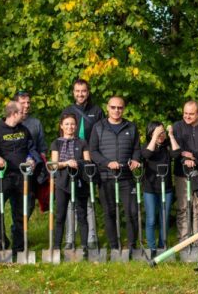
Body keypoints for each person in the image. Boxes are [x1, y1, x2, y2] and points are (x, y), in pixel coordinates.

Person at [89, 96, 142, 252]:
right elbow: (93, 151)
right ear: (107, 108)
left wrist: (135, 159)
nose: (116, 110)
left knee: (132, 211)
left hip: (126, 177)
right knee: (109, 212)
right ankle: (114, 246)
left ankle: (132, 245)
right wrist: (107, 163)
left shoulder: (131, 127)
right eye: (113, 107)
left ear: (123, 109)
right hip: (106, 177)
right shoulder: (98, 127)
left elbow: (136, 149)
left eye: (119, 108)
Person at [0, 101, 38, 253]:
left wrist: (31, 159)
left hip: (23, 176)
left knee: (24, 209)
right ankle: (0, 241)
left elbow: (32, 149)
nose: (25, 113)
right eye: (22, 111)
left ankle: (19, 245)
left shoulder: (24, 130)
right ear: (14, 113)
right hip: (6, 177)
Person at [61, 79, 104, 249]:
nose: (80, 94)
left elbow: (101, 135)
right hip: (70, 161)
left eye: (83, 91)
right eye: (77, 91)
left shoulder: (97, 111)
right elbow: (62, 137)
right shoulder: (67, 111)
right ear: (73, 92)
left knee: (89, 200)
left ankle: (92, 237)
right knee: (72, 199)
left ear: (88, 92)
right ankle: (70, 238)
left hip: (89, 161)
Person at [172, 101, 198, 246]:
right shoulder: (177, 127)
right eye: (185, 113)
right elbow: (175, 149)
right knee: (183, 207)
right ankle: (183, 241)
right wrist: (184, 158)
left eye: (191, 114)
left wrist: (195, 156)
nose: (187, 116)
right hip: (182, 173)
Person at [50, 113, 91, 255]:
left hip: (79, 182)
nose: (70, 127)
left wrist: (77, 163)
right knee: (60, 215)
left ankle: (84, 246)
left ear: (76, 126)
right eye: (66, 124)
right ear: (61, 126)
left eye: (72, 124)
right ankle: (56, 247)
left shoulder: (82, 142)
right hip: (62, 183)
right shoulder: (56, 143)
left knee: (82, 214)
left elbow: (88, 162)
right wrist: (66, 163)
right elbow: (54, 165)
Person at [141, 122, 181, 256]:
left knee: (164, 218)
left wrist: (171, 135)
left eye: (162, 132)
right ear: (151, 133)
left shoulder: (167, 147)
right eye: (158, 133)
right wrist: (154, 137)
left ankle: (162, 245)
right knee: (151, 219)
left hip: (167, 189)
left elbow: (177, 154)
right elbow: (146, 155)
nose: (161, 135)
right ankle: (152, 248)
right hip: (150, 189)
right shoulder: (147, 147)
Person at [13, 91, 49, 217]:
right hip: (14, 169)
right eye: (23, 103)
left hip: (31, 170)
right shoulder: (10, 121)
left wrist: (41, 163)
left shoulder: (35, 123)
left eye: (28, 102)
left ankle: (21, 232)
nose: (27, 105)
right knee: (16, 203)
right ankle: (16, 232)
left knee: (29, 203)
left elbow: (42, 147)